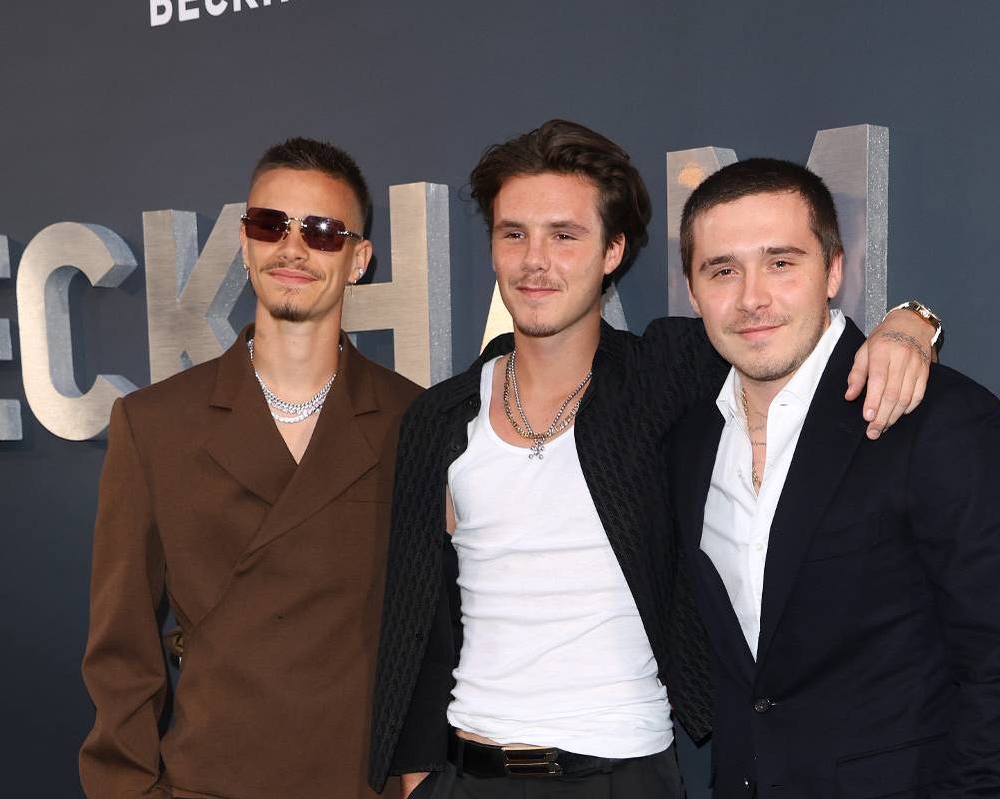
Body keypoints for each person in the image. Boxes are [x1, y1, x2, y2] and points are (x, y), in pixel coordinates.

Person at [369, 120, 939, 799]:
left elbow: (790, 337)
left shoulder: (666, 372)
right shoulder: (439, 416)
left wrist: (911, 322)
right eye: (513, 233)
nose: (534, 261)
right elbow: (421, 617)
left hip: (623, 774)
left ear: (613, 250)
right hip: (468, 773)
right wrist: (415, 781)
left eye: (565, 235)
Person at [669, 158, 1000, 798]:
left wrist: (915, 322)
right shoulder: (690, 438)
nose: (751, 298)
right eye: (722, 270)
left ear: (833, 270)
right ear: (692, 291)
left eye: (781, 262)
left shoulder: (938, 419)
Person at [80, 137, 420, 798]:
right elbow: (121, 653)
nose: (292, 249)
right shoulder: (155, 424)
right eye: (272, 225)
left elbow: (434, 635)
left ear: (359, 260)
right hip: (209, 780)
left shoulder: (413, 420)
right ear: (244, 242)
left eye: (322, 231)